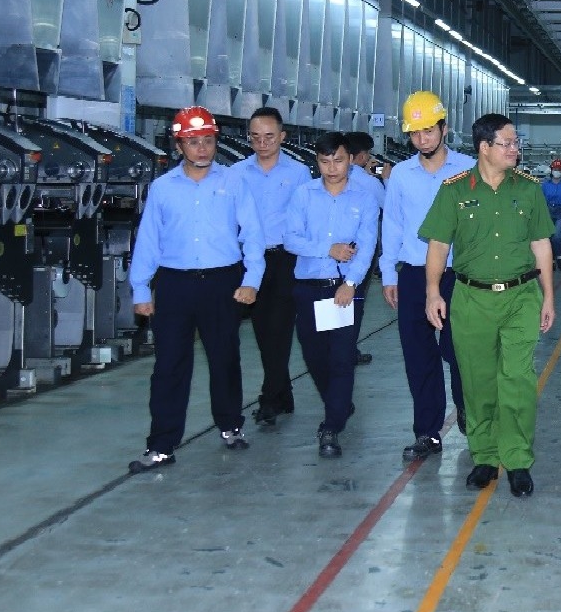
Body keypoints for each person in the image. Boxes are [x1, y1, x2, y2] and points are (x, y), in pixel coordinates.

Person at [419, 113, 555, 498]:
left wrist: (548, 295)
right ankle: (484, 456)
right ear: (484, 147)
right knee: (477, 381)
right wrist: (433, 292)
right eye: (507, 143)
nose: (515, 149)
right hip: (471, 299)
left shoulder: (528, 189)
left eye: (516, 143)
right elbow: (438, 246)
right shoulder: (454, 191)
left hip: (520, 297)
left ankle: (517, 460)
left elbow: (541, 244)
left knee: (518, 379)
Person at [128, 106, 264, 473]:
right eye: (192, 142)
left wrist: (251, 280)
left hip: (223, 282)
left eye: (207, 140)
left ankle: (230, 425)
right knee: (169, 365)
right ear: (179, 146)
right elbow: (149, 240)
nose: (201, 148)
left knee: (225, 358)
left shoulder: (234, 182)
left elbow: (253, 234)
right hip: (175, 284)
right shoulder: (163, 188)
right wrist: (140, 289)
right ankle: (161, 444)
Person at [380, 91, 475, 463]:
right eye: (415, 133)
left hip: (458, 276)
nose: (422, 139)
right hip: (415, 276)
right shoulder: (401, 175)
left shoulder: (469, 170)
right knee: (419, 357)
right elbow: (393, 225)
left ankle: (467, 408)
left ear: (444, 128)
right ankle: (427, 431)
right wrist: (389, 274)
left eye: (429, 131)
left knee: (460, 351)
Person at [284, 133, 381, 458]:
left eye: (338, 160)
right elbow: (291, 240)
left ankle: (331, 426)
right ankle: (339, 404)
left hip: (343, 289)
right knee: (314, 357)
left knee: (341, 358)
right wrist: (328, 249)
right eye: (325, 161)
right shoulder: (303, 195)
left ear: (350, 160)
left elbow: (366, 245)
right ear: (317, 162)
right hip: (308, 288)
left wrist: (351, 283)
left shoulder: (364, 198)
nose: (332, 167)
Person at [229, 107, 311, 426]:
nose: (262, 143)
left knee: (279, 328)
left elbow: (306, 218)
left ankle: (269, 399)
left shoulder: (298, 173)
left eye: (269, 137)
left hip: (283, 259)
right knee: (263, 330)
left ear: (282, 136)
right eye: (255, 137)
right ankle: (282, 392)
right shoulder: (236, 173)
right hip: (248, 261)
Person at [344, 130, 387, 365]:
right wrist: (383, 176)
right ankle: (349, 349)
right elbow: (389, 205)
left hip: (334, 250)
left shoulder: (330, 179)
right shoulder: (369, 182)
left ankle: (337, 347)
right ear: (361, 156)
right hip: (362, 251)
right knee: (356, 299)